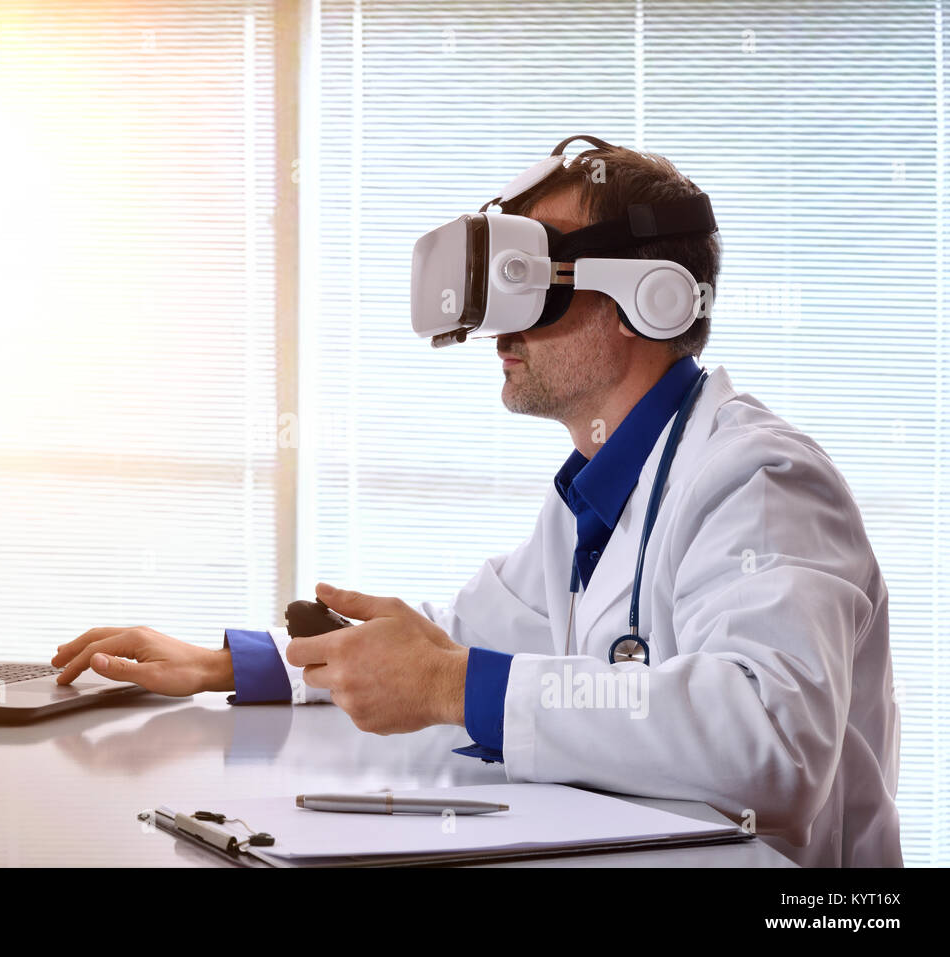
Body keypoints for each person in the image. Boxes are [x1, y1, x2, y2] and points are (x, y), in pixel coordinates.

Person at [50, 141, 901, 868]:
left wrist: (456, 687)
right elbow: (458, 636)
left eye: (533, 285)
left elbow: (772, 738)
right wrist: (233, 664)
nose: (501, 331)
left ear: (653, 299)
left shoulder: (761, 479)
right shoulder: (594, 491)